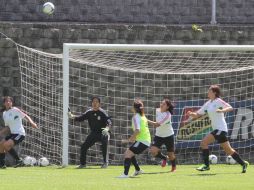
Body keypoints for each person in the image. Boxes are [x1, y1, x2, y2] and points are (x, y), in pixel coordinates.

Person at [187, 85, 249, 173]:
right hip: (218, 129)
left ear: (214, 93)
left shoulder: (218, 101)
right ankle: (243, 164)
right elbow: (197, 114)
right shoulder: (208, 103)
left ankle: (206, 165)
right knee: (228, 150)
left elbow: (230, 107)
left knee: (204, 143)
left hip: (221, 128)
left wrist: (222, 111)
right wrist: (191, 114)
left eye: (209, 91)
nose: (208, 92)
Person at [69, 96, 112, 168]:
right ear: (91, 103)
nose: (94, 103)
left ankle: (105, 163)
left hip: (103, 132)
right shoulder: (89, 112)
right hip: (94, 133)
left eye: (96, 102)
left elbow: (109, 122)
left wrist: (107, 129)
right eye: (93, 102)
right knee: (84, 146)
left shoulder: (102, 113)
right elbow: (80, 118)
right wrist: (72, 116)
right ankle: (83, 164)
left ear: (99, 104)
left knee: (104, 144)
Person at [0, 96, 38, 168]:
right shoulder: (4, 114)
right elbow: (8, 127)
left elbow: (26, 116)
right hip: (13, 134)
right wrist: (1, 132)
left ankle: (19, 160)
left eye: (9, 101)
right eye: (6, 101)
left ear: (12, 103)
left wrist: (32, 123)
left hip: (20, 133)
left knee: (6, 145)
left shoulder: (15, 110)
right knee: (1, 144)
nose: (8, 102)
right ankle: (2, 164)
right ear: (4, 103)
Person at [118, 99, 151, 178]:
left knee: (127, 153)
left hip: (142, 141)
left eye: (132, 106)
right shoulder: (142, 116)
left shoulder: (136, 117)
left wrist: (130, 139)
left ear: (134, 108)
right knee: (130, 153)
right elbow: (146, 122)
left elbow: (137, 130)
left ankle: (125, 175)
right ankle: (138, 170)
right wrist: (155, 123)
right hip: (145, 140)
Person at [148, 98, 176, 172]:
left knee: (171, 155)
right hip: (159, 136)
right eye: (161, 103)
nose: (161, 105)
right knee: (153, 151)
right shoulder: (157, 110)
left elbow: (157, 124)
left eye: (163, 104)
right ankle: (164, 158)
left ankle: (173, 167)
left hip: (169, 136)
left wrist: (146, 120)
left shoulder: (168, 115)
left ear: (167, 107)